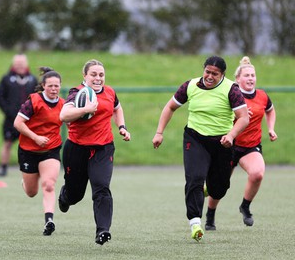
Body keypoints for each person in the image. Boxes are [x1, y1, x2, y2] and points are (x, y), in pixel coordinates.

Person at [152, 56, 249, 242]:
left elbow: (243, 117)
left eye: (215, 73)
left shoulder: (231, 90)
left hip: (222, 142)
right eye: (207, 71)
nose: (210, 76)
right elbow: (170, 107)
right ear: (203, 69)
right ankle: (195, 222)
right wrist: (159, 132)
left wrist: (231, 135)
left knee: (219, 189)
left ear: (222, 75)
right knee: (194, 178)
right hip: (195, 138)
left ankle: (207, 188)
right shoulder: (190, 85)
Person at [58, 59, 131, 245]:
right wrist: (86, 109)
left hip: (103, 148)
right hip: (76, 149)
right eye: (93, 74)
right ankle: (65, 196)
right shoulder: (76, 93)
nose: (98, 78)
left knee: (101, 187)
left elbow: (117, 108)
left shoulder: (110, 92)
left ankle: (103, 231)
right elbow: (63, 115)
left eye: (101, 75)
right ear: (85, 76)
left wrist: (122, 126)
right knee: (76, 195)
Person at [205, 56, 278, 230]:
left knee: (257, 173)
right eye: (246, 75)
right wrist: (240, 116)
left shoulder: (262, 96)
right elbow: (220, 115)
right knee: (219, 186)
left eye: (253, 75)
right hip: (228, 145)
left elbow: (270, 110)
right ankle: (210, 216)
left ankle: (245, 206)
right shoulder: (231, 93)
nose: (251, 78)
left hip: (250, 147)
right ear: (238, 79)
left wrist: (271, 128)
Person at [13, 67, 64, 236]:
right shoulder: (33, 101)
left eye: (56, 86)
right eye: (50, 86)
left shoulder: (64, 104)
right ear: (43, 86)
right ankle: (26, 182)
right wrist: (35, 137)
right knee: (31, 192)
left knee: (49, 184)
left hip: (51, 149)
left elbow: (72, 123)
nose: (54, 89)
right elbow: (18, 123)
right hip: (28, 149)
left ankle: (49, 220)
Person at [0, 54, 38, 177]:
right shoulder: (6, 79)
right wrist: (8, 111)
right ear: (14, 64)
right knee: (7, 143)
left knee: (32, 143)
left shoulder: (32, 79)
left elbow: (37, 97)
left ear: (26, 64)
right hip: (11, 119)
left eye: (22, 63)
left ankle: (32, 167)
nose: (20, 65)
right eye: (17, 63)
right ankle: (3, 168)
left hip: (28, 120)